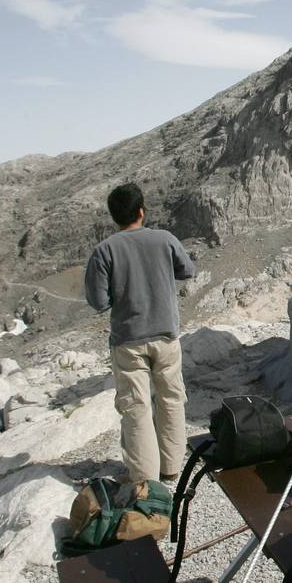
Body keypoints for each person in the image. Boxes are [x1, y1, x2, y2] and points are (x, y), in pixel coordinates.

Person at [84, 183, 196, 484]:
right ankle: (171, 467)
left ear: (114, 217)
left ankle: (145, 478)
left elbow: (98, 302)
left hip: (128, 341)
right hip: (166, 336)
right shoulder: (165, 239)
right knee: (171, 398)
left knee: (136, 408)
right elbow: (187, 270)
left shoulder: (104, 251)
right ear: (142, 211)